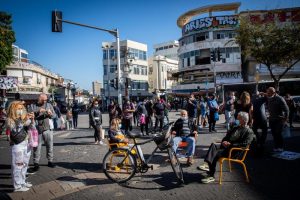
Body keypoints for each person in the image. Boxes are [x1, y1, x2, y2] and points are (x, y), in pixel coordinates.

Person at [198, 111, 255, 184]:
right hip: (226, 148)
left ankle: (211, 175)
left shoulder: (249, 131)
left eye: (238, 118)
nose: (236, 120)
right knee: (213, 145)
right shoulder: (236, 127)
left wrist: (230, 144)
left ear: (243, 120)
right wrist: (224, 142)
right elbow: (226, 137)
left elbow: (244, 144)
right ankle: (208, 165)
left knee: (215, 154)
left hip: (234, 151)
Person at [7, 101, 35, 192]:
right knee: (18, 165)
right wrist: (23, 119)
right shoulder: (10, 119)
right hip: (18, 145)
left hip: (26, 143)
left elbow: (32, 127)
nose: (20, 110)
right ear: (13, 109)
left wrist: (32, 119)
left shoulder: (23, 117)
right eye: (18, 109)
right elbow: (15, 129)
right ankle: (17, 186)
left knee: (25, 164)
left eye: (21, 108)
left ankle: (22, 181)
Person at [27, 94, 57, 173]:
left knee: (49, 146)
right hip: (37, 129)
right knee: (36, 147)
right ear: (39, 99)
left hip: (48, 129)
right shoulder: (32, 106)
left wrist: (51, 114)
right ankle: (36, 163)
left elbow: (55, 115)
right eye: (43, 100)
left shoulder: (49, 105)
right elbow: (29, 116)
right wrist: (38, 112)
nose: (45, 101)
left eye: (46, 100)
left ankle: (50, 161)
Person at [265, 87, 289, 152]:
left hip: (279, 119)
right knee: (274, 134)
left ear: (273, 93)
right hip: (271, 119)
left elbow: (286, 110)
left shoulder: (280, 99)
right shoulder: (269, 97)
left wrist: (285, 119)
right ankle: (276, 146)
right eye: (267, 93)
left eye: (269, 93)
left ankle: (280, 147)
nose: (268, 94)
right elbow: (265, 94)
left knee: (278, 133)